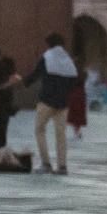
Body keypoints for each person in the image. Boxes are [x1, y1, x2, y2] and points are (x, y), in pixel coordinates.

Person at [24, 33, 78, 175]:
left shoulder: (46, 57)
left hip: (46, 101)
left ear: (49, 44)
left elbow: (35, 74)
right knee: (61, 134)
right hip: (63, 103)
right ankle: (62, 166)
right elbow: (74, 82)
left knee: (40, 130)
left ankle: (46, 163)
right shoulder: (68, 60)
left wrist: (24, 81)